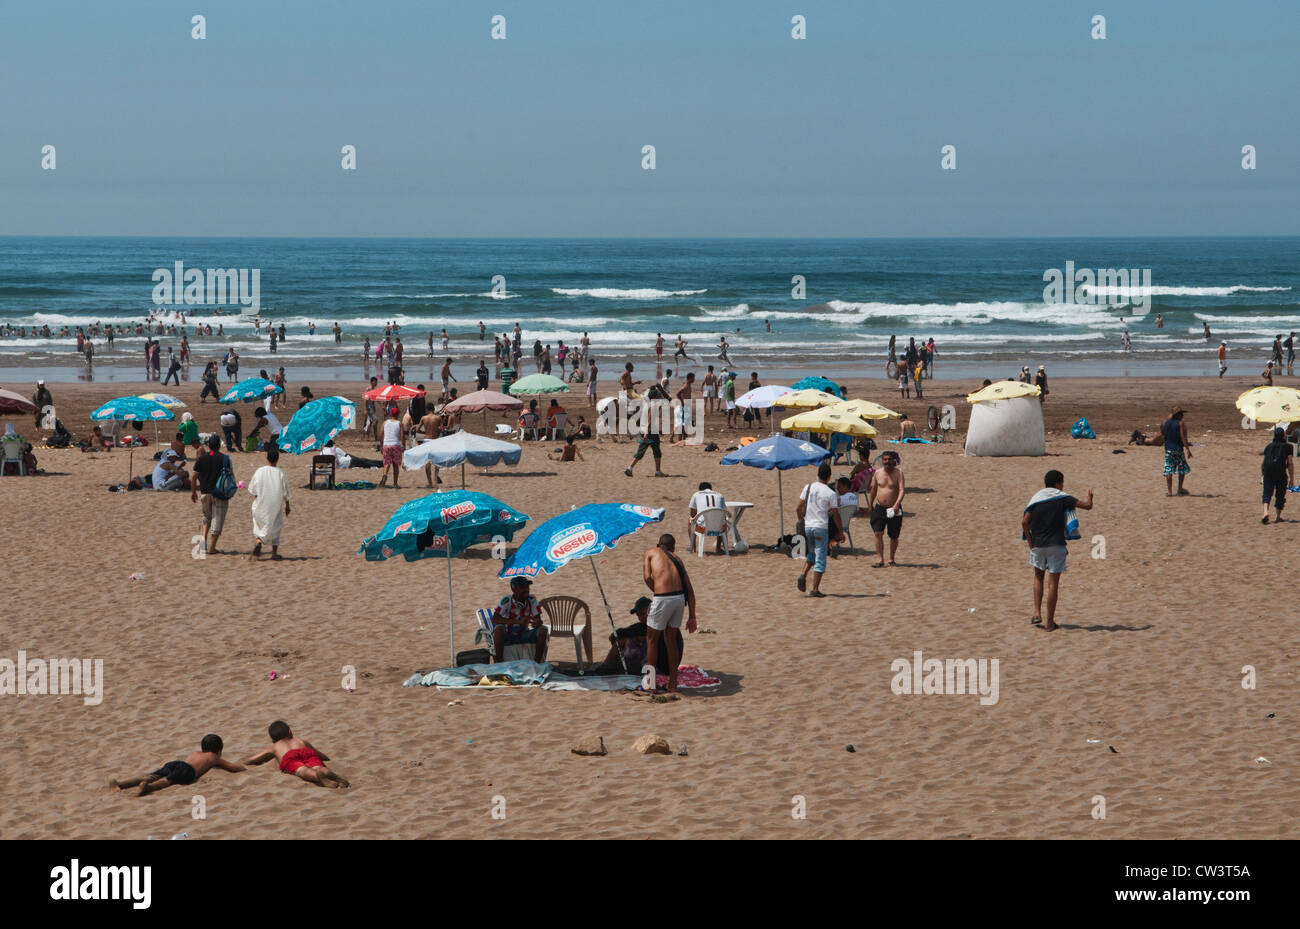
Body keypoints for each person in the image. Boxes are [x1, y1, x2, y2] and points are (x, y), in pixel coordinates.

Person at [1021, 469, 1094, 630]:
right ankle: (1049, 622)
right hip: (1056, 545)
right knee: (1053, 584)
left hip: (1038, 545)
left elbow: (1025, 522)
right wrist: (1090, 497)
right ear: (1057, 483)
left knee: (1038, 577)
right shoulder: (1063, 499)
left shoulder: (1036, 499)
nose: (1063, 486)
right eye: (1062, 483)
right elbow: (1087, 506)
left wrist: (1031, 543)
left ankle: (1036, 613)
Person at [642, 534, 697, 692]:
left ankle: (651, 685)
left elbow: (647, 577)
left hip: (663, 598)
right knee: (671, 641)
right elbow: (690, 589)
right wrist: (692, 616)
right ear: (673, 547)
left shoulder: (650, 553)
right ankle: (673, 684)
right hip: (679, 599)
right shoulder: (678, 559)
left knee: (651, 640)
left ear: (658, 545)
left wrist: (658, 591)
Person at [110, 734, 244, 797]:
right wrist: (242, 768)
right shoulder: (214, 757)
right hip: (187, 770)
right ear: (219, 750)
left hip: (176, 763)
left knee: (152, 775)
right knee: (167, 781)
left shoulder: (195, 752)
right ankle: (148, 787)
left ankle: (120, 783)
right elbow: (231, 767)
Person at [243, 720, 349, 788]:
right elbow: (318, 754)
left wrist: (247, 761)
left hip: (290, 758)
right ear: (290, 732)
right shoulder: (300, 741)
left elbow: (255, 759)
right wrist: (327, 758)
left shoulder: (276, 746)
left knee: (302, 770)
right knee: (317, 765)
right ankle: (325, 772)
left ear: (273, 740)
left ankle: (316, 776)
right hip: (306, 752)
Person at [796, 462, 844, 597]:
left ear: (818, 475)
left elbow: (798, 507)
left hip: (808, 526)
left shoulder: (808, 487)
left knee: (812, 552)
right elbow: (836, 515)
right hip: (820, 527)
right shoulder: (830, 493)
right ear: (828, 477)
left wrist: (801, 521)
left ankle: (803, 574)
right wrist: (840, 532)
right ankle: (815, 589)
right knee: (821, 557)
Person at [601, 596, 683, 674]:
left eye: (643, 614)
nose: (640, 618)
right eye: (638, 615)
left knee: (621, 642)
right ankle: (610, 665)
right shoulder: (663, 620)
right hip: (670, 667)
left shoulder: (653, 624)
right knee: (637, 640)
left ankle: (604, 667)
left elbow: (619, 634)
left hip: (662, 667)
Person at [191, 434, 233, 554]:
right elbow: (231, 476)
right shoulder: (225, 458)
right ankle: (212, 548)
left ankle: (203, 540)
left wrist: (193, 492)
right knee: (217, 520)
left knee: (207, 517)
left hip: (205, 492)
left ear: (208, 445)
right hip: (220, 493)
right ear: (219, 446)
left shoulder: (202, 458)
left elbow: (193, 476)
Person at [491, 577, 549, 662]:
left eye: (527, 587)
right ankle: (499, 663)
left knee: (543, 630)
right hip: (508, 635)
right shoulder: (507, 600)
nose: (526, 590)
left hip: (524, 635)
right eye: (523, 588)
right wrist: (518, 621)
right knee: (498, 629)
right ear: (514, 590)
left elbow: (539, 620)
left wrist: (536, 622)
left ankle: (537, 663)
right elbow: (495, 619)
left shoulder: (532, 600)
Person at [248, 447, 291, 559]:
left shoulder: (259, 471)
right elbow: (286, 491)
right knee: (276, 527)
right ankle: (274, 554)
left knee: (260, 526)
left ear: (267, 458)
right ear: (277, 459)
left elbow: (252, 490)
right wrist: (287, 506)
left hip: (261, 505)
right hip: (275, 506)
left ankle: (258, 541)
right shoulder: (281, 473)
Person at [867, 450, 906, 566]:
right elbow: (874, 489)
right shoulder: (878, 473)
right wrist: (870, 504)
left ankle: (891, 558)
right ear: (882, 461)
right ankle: (880, 559)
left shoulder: (898, 473)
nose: (887, 462)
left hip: (894, 507)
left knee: (894, 535)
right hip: (880, 507)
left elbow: (902, 490)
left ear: (893, 460)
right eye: (885, 459)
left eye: (889, 459)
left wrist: (897, 504)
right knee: (877, 533)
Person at [625, 384, 666, 477]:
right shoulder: (653, 406)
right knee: (657, 452)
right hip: (649, 432)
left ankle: (629, 468)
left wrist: (656, 430)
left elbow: (645, 419)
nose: (660, 397)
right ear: (654, 397)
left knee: (641, 451)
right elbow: (649, 420)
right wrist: (647, 433)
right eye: (658, 396)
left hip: (644, 430)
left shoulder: (646, 405)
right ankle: (658, 471)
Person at [1260, 426, 1294, 524]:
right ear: (1283, 436)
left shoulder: (1268, 446)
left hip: (1268, 471)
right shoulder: (1288, 447)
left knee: (1267, 492)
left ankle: (1265, 512)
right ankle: (1278, 517)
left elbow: (1264, 462)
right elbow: (1290, 463)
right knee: (1280, 494)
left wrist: (1262, 474)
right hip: (1280, 472)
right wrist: (1291, 479)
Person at [1158, 406, 1191, 496]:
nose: (1183, 415)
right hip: (1178, 449)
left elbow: (1162, 434)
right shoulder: (1180, 423)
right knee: (1182, 468)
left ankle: (1169, 492)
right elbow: (1183, 437)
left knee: (1169, 469)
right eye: (1181, 414)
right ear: (1178, 415)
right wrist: (1188, 449)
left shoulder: (1165, 423)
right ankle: (1180, 488)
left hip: (1168, 449)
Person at [688, 481, 728, 554]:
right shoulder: (720, 495)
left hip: (703, 528)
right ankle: (718, 548)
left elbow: (692, 515)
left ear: (700, 489)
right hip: (719, 528)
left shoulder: (696, 494)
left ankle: (693, 548)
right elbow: (724, 513)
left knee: (690, 520)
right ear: (711, 489)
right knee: (722, 520)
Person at [379, 406, 405, 488]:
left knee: (386, 464)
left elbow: (380, 434)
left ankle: (385, 474)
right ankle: (395, 484)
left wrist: (381, 445)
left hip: (386, 445)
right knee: (395, 465)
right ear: (398, 414)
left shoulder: (385, 422)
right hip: (395, 445)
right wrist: (403, 446)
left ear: (391, 414)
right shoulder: (399, 423)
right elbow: (402, 436)